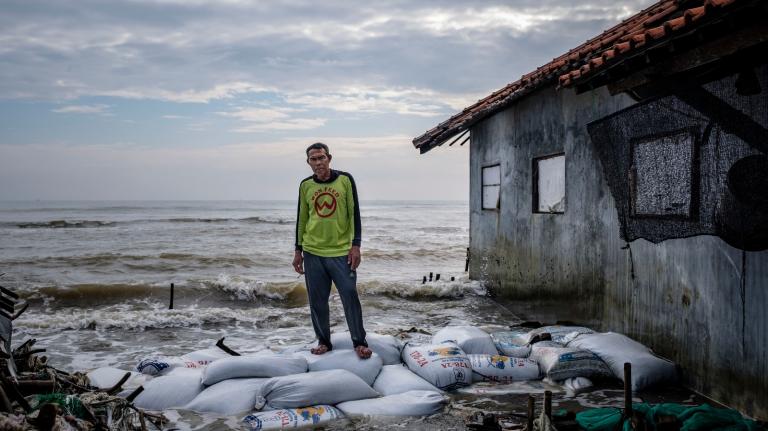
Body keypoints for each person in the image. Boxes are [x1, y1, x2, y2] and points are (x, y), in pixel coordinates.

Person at [292, 142, 372, 359]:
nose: (318, 162)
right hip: (312, 251)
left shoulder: (345, 180)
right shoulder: (306, 185)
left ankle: (359, 341)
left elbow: (354, 213)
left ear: (329, 158)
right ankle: (324, 341)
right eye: (313, 159)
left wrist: (356, 245)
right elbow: (302, 219)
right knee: (317, 301)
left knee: (349, 294)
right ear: (308, 162)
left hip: (340, 251)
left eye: (321, 158)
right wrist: (298, 250)